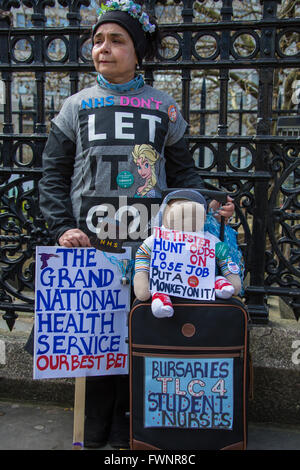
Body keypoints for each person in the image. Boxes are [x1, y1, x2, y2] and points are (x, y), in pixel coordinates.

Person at [38, 0, 235, 449]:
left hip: (153, 253)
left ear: (138, 49)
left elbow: (185, 176)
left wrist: (207, 206)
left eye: (116, 40)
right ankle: (94, 434)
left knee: (144, 337)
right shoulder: (75, 107)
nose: (102, 49)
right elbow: (52, 176)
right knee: (95, 344)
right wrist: (60, 228)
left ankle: (137, 434)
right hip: (90, 249)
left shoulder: (165, 109)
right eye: (97, 40)